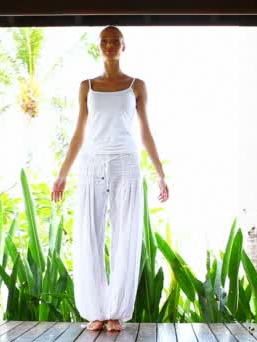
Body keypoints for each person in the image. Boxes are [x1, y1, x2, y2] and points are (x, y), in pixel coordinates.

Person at [51, 25, 168, 332]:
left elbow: (145, 131)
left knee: (125, 235)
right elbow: (79, 133)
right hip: (91, 165)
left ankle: (115, 310)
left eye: (115, 40)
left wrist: (160, 173)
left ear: (123, 46)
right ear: (99, 47)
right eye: (104, 41)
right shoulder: (86, 86)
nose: (109, 45)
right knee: (88, 234)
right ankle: (95, 310)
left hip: (126, 164)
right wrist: (62, 174)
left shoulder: (136, 85)